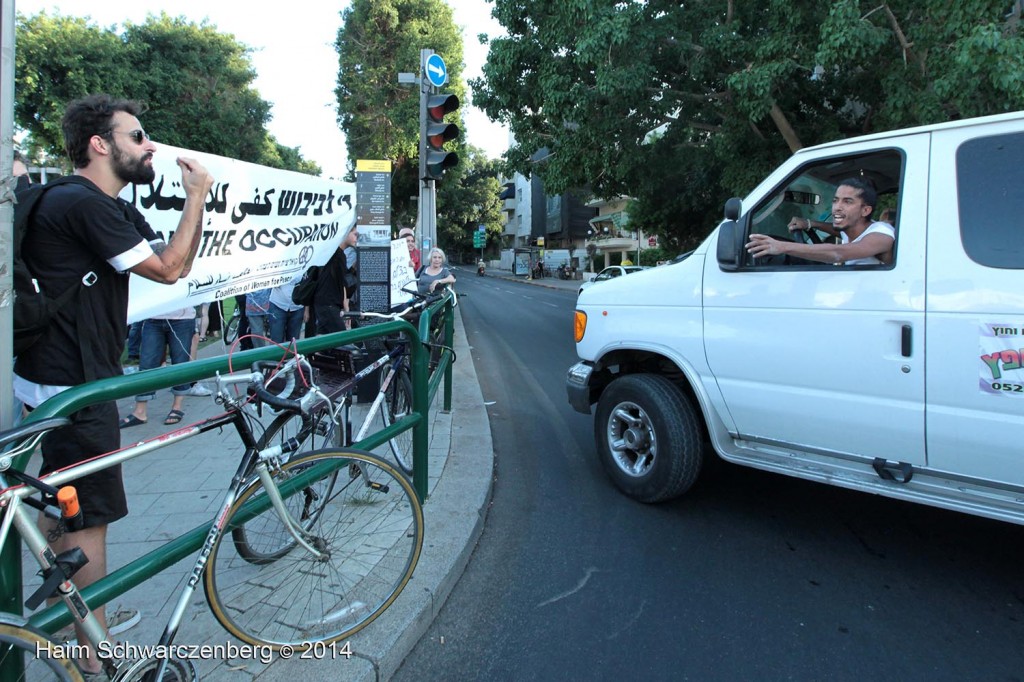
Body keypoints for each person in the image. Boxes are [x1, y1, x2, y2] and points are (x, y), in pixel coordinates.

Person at [12, 93, 212, 676]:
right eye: (136, 136)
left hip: (59, 376)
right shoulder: (81, 203)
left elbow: (178, 258)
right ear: (100, 145)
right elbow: (170, 268)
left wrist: (189, 211)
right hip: (72, 384)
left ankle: (61, 608)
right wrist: (197, 194)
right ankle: (96, 653)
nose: (149, 146)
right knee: (89, 513)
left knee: (61, 499)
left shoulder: (109, 207)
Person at [745, 178, 895, 266]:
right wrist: (811, 224)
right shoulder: (853, 228)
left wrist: (781, 246)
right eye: (836, 201)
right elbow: (838, 230)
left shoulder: (882, 234)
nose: (837, 207)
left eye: (847, 202)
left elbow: (839, 253)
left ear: (865, 211)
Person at [118, 309, 211, 428]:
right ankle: (140, 411)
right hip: (153, 317)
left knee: (180, 362)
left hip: (183, 318)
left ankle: (177, 407)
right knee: (147, 364)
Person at [313, 225, 360, 334]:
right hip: (328, 304)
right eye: (355, 234)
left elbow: (340, 280)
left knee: (324, 344)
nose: (356, 238)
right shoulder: (337, 255)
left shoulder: (335, 254)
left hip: (326, 304)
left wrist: (353, 269)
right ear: (346, 232)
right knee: (341, 340)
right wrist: (346, 308)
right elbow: (343, 284)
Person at [268, 277, 307, 344]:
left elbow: (308, 285)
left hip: (298, 306)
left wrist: (307, 309)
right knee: (276, 341)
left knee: (294, 342)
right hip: (278, 304)